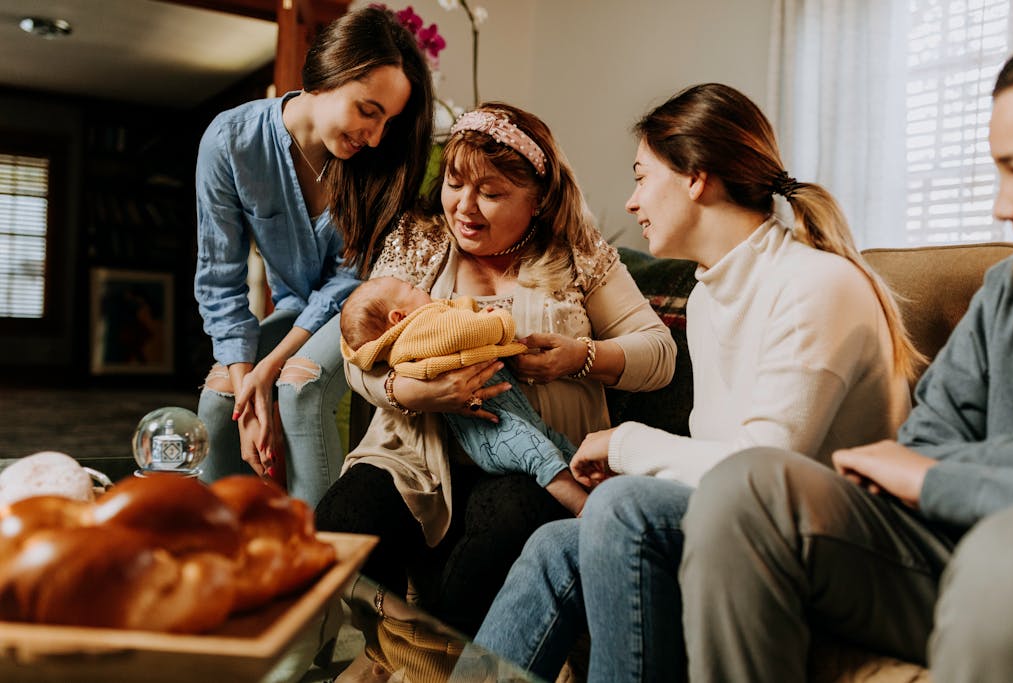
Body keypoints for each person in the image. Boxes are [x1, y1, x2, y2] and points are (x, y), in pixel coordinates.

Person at [474, 83, 921, 683]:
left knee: (621, 506)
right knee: (555, 545)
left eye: (641, 176)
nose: (632, 203)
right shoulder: (709, 296)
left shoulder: (818, 287)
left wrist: (629, 447)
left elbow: (761, 472)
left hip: (837, 549)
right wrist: (638, 465)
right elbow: (716, 459)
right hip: (745, 524)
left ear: (695, 178)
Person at [679, 54, 1013, 683]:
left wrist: (945, 479)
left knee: (1007, 558)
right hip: (944, 548)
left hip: (1002, 566)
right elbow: (918, 449)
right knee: (746, 486)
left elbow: (926, 469)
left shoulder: (817, 285)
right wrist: (960, 472)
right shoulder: (1008, 290)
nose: (1004, 207)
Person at [314, 102, 677, 636]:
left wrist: (582, 358)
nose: (464, 207)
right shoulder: (422, 239)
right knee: (342, 518)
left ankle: (439, 663)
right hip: (415, 457)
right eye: (455, 183)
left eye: (491, 193)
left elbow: (660, 353)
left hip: (531, 459)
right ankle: (383, 649)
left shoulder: (575, 251)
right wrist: (411, 391)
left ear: (538, 200)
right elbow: (360, 350)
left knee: (507, 520)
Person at [193, 6, 434, 507]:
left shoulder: (376, 164)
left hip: (362, 307)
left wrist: (271, 368)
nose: (375, 136)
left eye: (387, 121)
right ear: (328, 73)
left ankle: (323, 567)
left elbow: (348, 283)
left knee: (299, 389)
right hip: (299, 308)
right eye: (368, 110)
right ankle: (223, 558)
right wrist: (247, 388)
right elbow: (221, 282)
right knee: (219, 401)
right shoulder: (231, 141)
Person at [340, 276, 588, 515]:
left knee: (558, 445)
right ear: (398, 317)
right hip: (492, 429)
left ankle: (600, 492)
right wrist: (497, 322)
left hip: (509, 415)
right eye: (412, 288)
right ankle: (583, 510)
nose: (420, 287)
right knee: (540, 455)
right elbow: (462, 332)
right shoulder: (419, 329)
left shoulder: (415, 333)